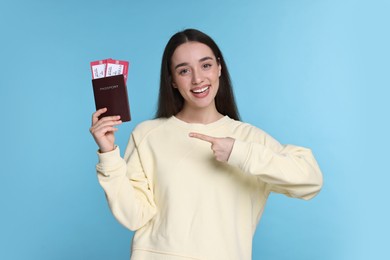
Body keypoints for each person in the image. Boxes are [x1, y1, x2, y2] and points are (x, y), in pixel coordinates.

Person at [89, 28, 323, 260]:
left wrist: (239, 152)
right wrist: (108, 154)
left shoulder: (248, 139)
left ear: (219, 68)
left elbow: (310, 179)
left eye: (206, 65)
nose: (197, 78)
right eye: (184, 71)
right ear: (172, 80)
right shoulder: (147, 135)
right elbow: (133, 216)